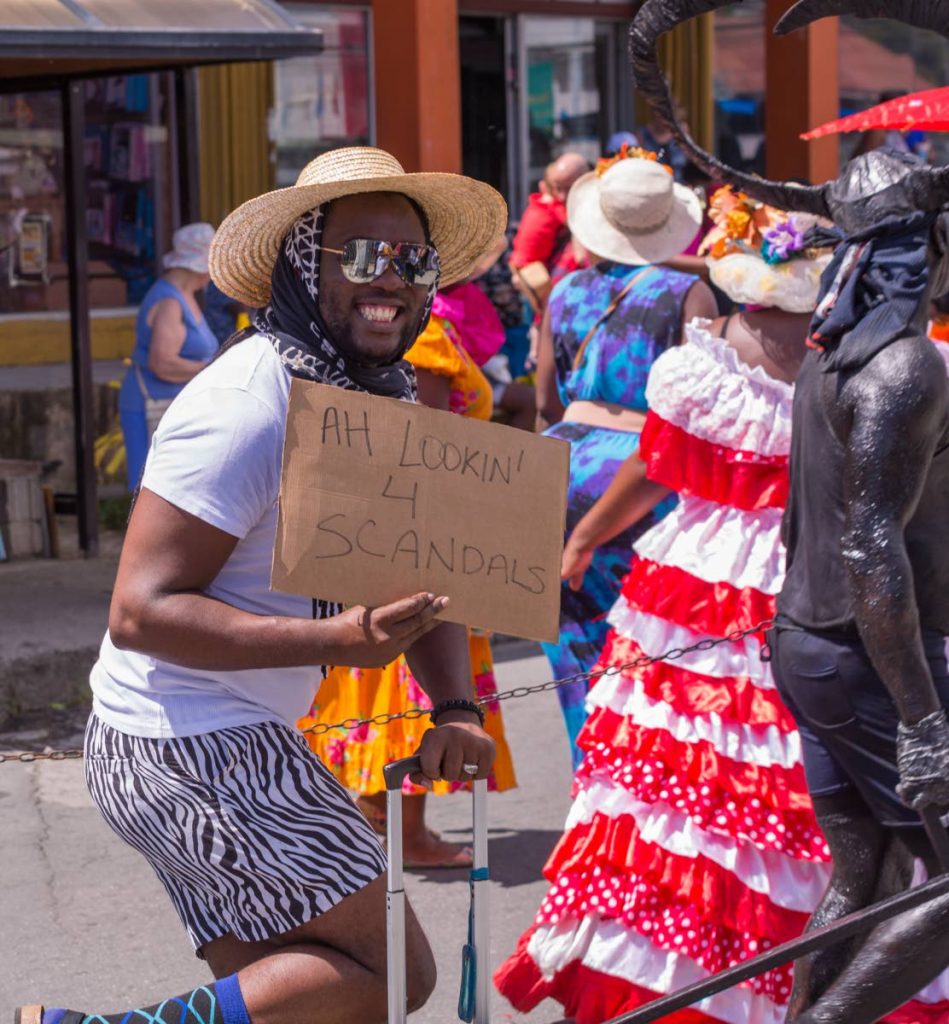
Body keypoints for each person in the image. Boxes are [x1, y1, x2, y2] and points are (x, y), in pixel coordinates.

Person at [18, 146, 505, 1024]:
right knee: (396, 977)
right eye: (361, 256)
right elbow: (139, 612)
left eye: (411, 260)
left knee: (307, 996)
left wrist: (456, 710)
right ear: (300, 263)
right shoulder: (248, 404)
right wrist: (335, 642)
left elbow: (424, 571)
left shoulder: (377, 394)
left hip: (218, 738)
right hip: (188, 746)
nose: (387, 281)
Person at [496, 191, 837, 1024]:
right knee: (788, 787)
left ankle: (684, 977)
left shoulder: (704, 356)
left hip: (701, 580)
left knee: (688, 781)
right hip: (804, 581)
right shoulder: (869, 354)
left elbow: (655, 467)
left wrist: (580, 544)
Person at [300, 300, 517, 870]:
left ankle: (381, 816)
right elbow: (427, 441)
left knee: (385, 670)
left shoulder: (363, 327)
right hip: (416, 525)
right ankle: (406, 832)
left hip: (375, 523)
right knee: (409, 672)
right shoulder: (420, 335)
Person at [534, 150, 718, 764]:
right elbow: (695, 412)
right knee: (648, 641)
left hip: (560, 461)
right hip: (640, 471)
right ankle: (636, 788)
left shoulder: (564, 290)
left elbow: (544, 397)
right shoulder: (689, 294)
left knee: (572, 643)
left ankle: (588, 775)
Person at [118, 222, 219, 490]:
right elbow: (162, 363)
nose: (211, 277)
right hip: (153, 406)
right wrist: (212, 369)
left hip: (171, 406)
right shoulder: (170, 303)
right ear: (196, 267)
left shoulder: (185, 296)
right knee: (152, 489)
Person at [508, 151, 590, 320]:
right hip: (539, 286)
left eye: (568, 188)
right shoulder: (554, 210)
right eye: (558, 188)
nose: (562, 196)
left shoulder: (542, 206)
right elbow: (582, 257)